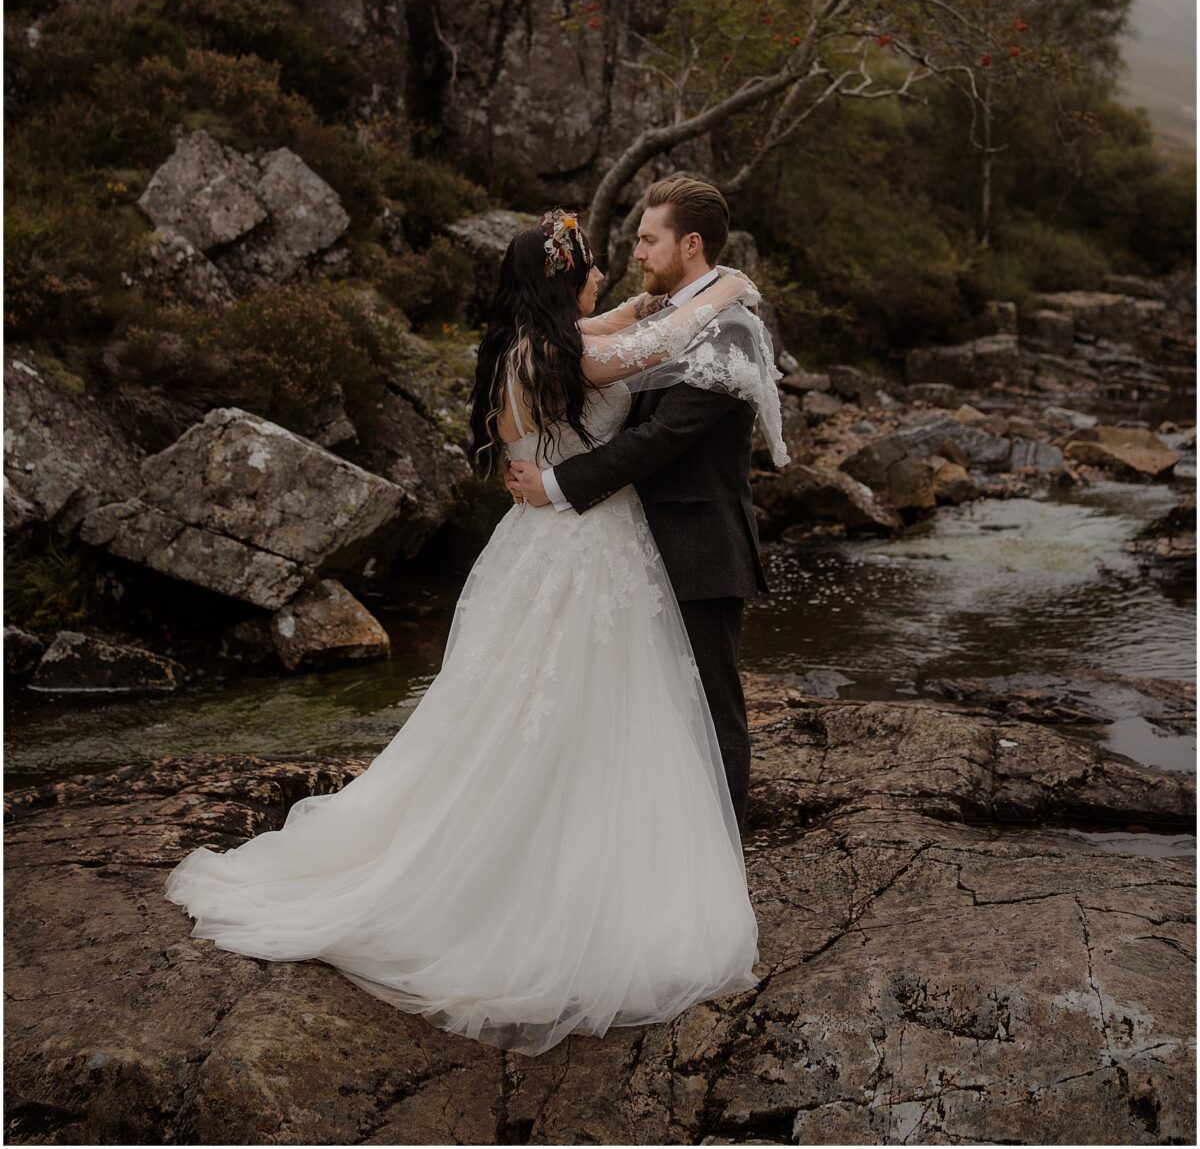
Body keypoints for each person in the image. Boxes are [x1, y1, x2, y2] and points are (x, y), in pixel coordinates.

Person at [163, 206, 780, 1058]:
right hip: (581, 548)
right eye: (592, 264)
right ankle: (548, 882)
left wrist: (656, 303)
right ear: (564, 278)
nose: (606, 271)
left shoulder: (534, 340)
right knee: (574, 712)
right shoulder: (567, 354)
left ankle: (569, 854)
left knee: (541, 710)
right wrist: (726, 294)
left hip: (551, 546)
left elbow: (624, 325)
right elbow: (633, 349)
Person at [507, 176, 771, 827]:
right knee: (646, 709)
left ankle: (724, 849)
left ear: (690, 243)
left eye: (649, 240)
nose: (637, 253)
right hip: (633, 545)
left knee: (712, 707)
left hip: (700, 544)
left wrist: (558, 483)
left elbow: (665, 436)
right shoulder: (665, 312)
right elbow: (588, 351)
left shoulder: (731, 325)